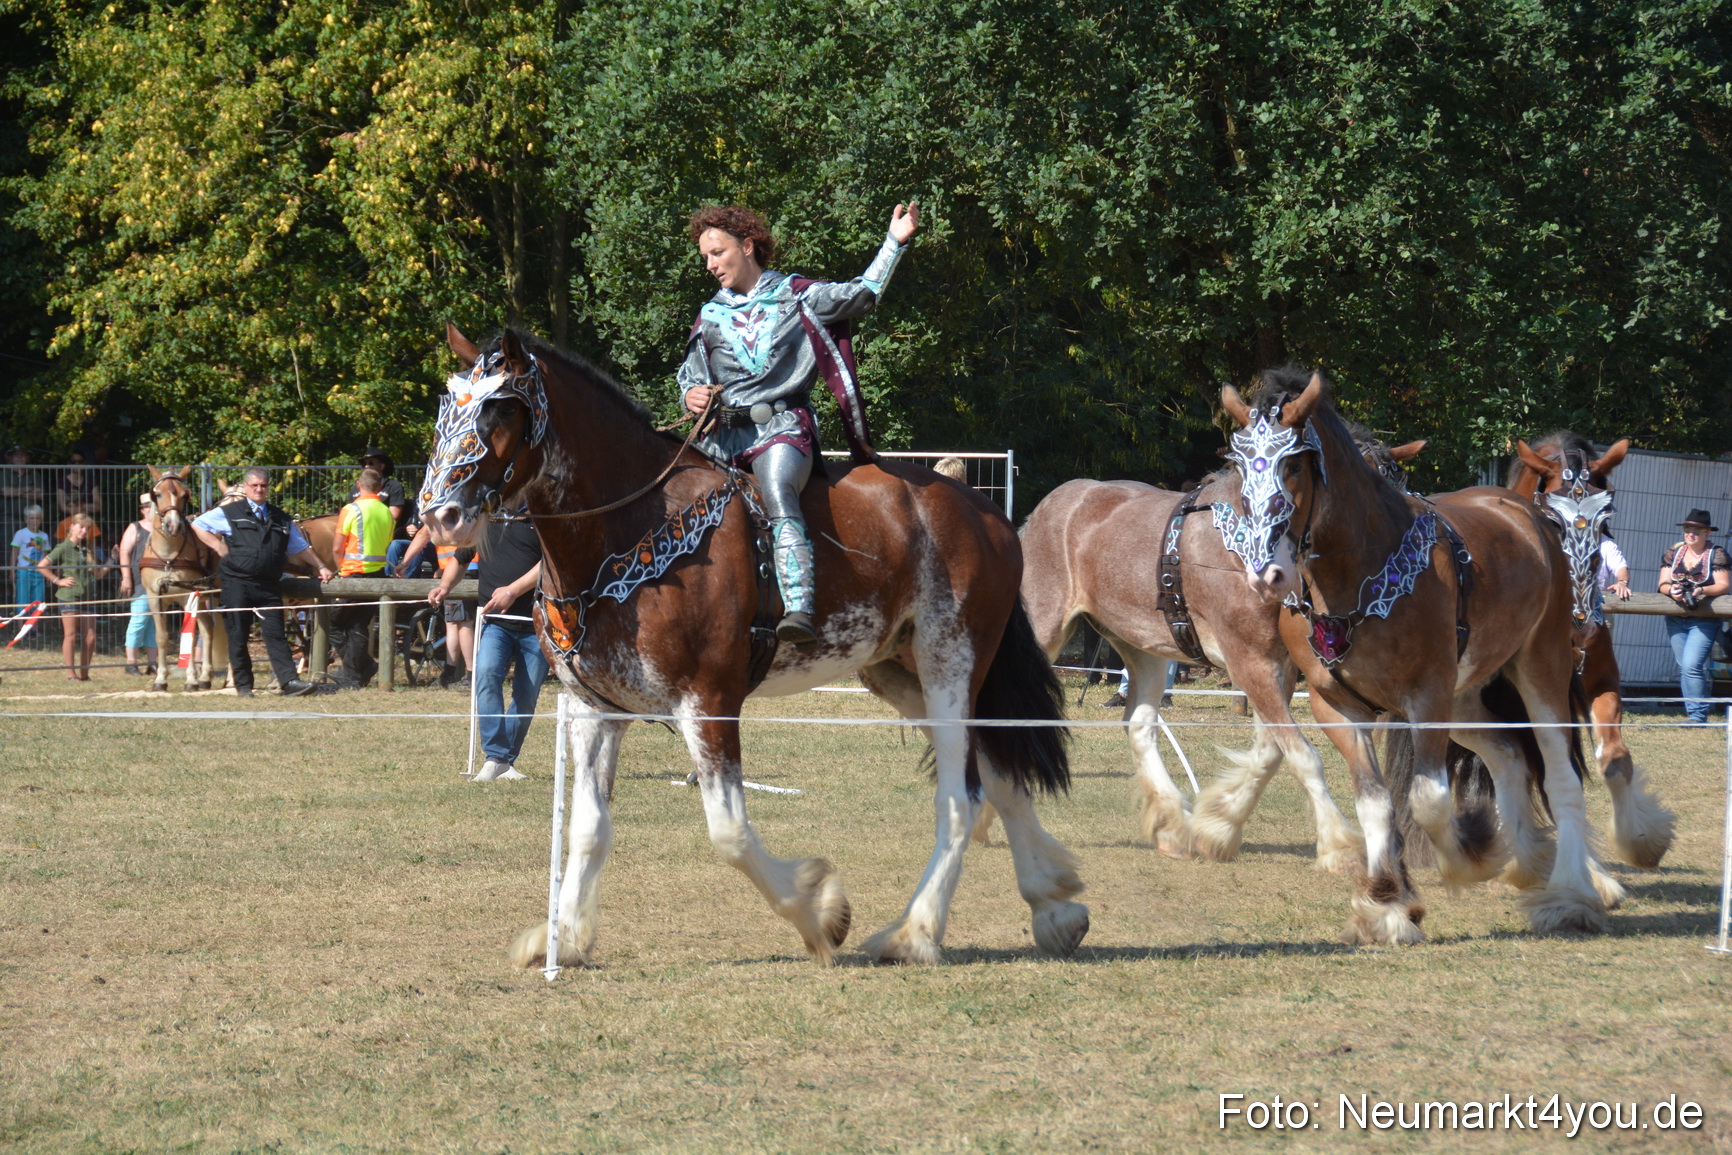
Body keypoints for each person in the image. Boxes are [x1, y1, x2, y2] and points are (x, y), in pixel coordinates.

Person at [679, 200, 919, 647]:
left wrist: (893, 243)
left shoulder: (797, 294)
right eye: (705, 258)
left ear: (747, 245)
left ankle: (799, 610)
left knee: (777, 492)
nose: (710, 265)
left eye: (717, 252)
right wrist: (690, 394)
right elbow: (692, 375)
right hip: (721, 441)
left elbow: (862, 293)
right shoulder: (709, 316)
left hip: (783, 429)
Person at [192, 466, 332, 697]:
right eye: (254, 485)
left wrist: (322, 566)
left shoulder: (281, 518)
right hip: (236, 582)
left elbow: (300, 546)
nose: (259, 489)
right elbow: (198, 524)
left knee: (275, 634)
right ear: (246, 487)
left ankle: (290, 682)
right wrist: (217, 545)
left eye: (263, 486)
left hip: (268, 585)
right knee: (237, 635)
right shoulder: (230, 511)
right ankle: (244, 686)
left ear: (268, 488)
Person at [431, 507, 543, 781]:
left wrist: (512, 591)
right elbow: (460, 558)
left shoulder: (541, 520)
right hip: (495, 623)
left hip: (537, 623)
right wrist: (445, 586)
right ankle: (496, 756)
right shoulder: (484, 522)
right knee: (485, 676)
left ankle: (506, 760)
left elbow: (548, 564)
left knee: (526, 695)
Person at [1657, 508, 1730, 725]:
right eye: (1687, 529)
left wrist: (1702, 591)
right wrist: (1672, 591)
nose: (1690, 534)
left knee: (1691, 665)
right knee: (1685, 667)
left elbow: (1724, 585)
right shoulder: (1674, 552)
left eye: (1696, 530)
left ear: (1707, 532)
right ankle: (1693, 713)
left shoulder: (1717, 554)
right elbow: (1662, 583)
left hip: (1704, 618)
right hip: (1676, 617)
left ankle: (1698, 717)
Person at [328, 466, 395, 687]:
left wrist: (341, 571)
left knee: (334, 623)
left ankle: (358, 670)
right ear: (380, 488)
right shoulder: (386, 511)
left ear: (359, 486)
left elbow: (338, 548)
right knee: (358, 626)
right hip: (378, 574)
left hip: (352, 573)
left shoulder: (351, 509)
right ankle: (358, 670)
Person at [37, 512, 108, 680]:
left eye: (87, 528)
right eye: (81, 527)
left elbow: (98, 575)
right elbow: (42, 566)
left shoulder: (88, 548)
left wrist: (111, 559)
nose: (84, 531)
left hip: (89, 597)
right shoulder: (63, 547)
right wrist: (58, 580)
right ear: (72, 527)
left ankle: (85, 674)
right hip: (69, 596)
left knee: (90, 637)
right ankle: (71, 674)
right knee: (71, 635)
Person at [115, 493, 161, 675]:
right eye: (148, 506)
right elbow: (124, 552)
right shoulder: (135, 527)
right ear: (142, 509)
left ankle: (153, 663)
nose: (151, 509)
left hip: (159, 583)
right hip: (140, 581)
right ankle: (131, 662)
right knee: (139, 621)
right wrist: (126, 577)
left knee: (155, 624)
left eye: (153, 505)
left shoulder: (162, 527)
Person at [10, 503, 49, 608]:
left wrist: (48, 573)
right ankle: (21, 624)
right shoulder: (20, 534)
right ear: (26, 519)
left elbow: (46, 556)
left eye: (38, 518)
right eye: (32, 518)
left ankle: (33, 624)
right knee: (22, 600)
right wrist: (12, 571)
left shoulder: (44, 536)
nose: (35, 521)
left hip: (39, 572)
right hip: (23, 572)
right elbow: (14, 553)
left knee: (37, 601)